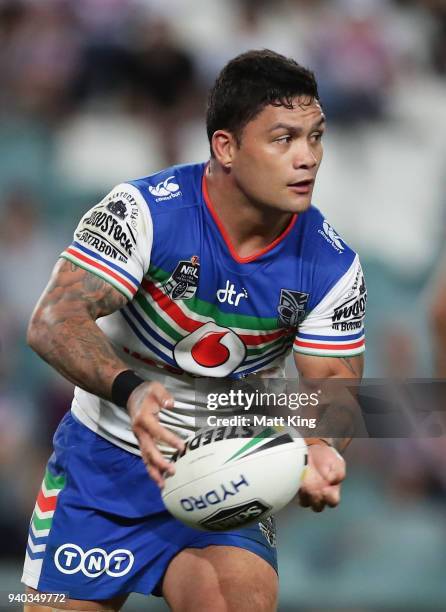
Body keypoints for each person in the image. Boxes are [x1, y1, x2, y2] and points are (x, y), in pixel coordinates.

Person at [22, 49, 366, 612]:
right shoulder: (144, 212)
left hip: (230, 471)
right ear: (225, 147)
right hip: (102, 465)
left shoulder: (332, 266)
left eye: (316, 137)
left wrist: (321, 446)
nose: (308, 159)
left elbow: (333, 384)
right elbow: (54, 320)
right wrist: (131, 392)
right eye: (284, 139)